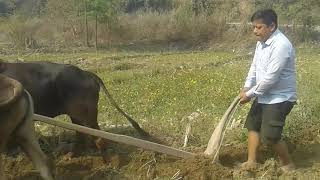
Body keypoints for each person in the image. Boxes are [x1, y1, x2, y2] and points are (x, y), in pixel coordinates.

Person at [239, 9, 297, 173]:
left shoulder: (281, 45)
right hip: (263, 94)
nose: (255, 31)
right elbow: (254, 67)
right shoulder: (261, 43)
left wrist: (249, 94)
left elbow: (271, 78)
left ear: (272, 26)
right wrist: (246, 86)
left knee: (270, 137)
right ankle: (251, 162)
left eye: (259, 27)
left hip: (280, 98)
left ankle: (288, 165)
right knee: (253, 126)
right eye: (254, 27)